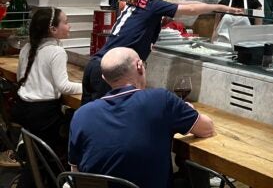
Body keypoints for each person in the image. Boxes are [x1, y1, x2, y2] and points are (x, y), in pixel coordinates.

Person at [81, 0, 243, 104]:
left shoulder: (136, 2)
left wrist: (159, 22)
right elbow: (191, 9)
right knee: (106, 122)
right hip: (111, 71)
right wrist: (221, 8)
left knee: (87, 121)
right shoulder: (153, 5)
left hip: (95, 65)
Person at [69, 47, 214, 188]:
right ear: (139, 66)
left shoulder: (81, 114)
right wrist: (187, 111)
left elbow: (76, 174)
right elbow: (206, 128)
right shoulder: (161, 99)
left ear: (104, 77)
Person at [13, 7, 82, 187]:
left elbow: (21, 77)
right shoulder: (56, 51)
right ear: (52, 29)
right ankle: (62, 177)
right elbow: (64, 86)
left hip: (23, 109)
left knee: (36, 158)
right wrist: (87, 86)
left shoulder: (27, 47)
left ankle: (26, 146)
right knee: (71, 134)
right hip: (43, 115)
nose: (69, 26)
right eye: (65, 22)